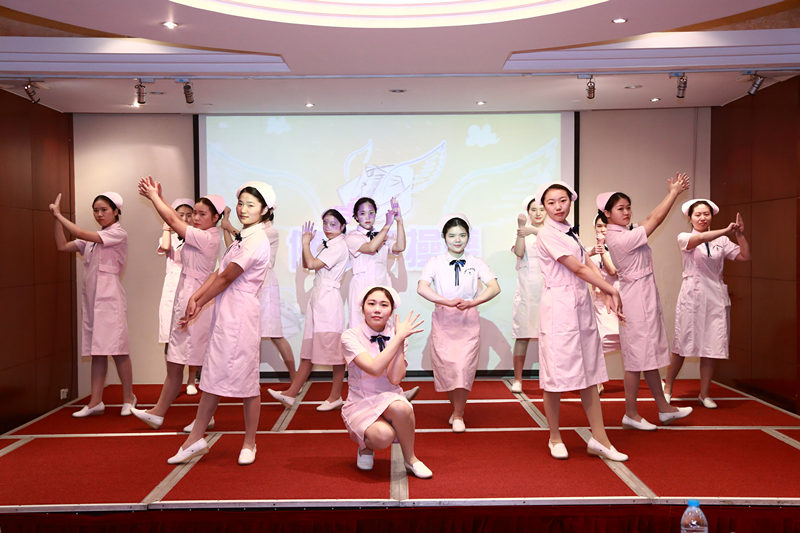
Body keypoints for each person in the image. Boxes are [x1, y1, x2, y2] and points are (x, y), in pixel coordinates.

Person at [167, 181, 274, 466]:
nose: (243, 209)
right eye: (241, 203)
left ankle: (250, 442)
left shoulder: (257, 240)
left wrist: (200, 301)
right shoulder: (241, 237)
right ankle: (195, 439)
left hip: (241, 314)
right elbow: (218, 272)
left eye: (251, 205)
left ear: (265, 210)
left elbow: (228, 277)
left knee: (247, 381)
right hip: (225, 312)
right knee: (212, 375)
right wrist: (196, 298)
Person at [535, 181, 627, 462]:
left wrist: (605, 292)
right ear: (544, 206)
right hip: (559, 308)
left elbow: (587, 262)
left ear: (570, 201)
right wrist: (611, 289)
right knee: (555, 376)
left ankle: (600, 439)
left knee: (589, 373)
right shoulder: (546, 234)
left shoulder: (570, 232)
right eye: (551, 202)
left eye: (562, 200)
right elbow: (574, 267)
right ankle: (554, 436)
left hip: (581, 306)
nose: (558, 207)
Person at [599, 174, 694, 431]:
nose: (627, 212)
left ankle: (664, 408)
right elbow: (655, 220)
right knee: (635, 359)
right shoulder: (619, 238)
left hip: (643, 294)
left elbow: (649, 217)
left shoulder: (625, 231)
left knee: (647, 354)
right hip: (636, 297)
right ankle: (630, 413)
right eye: (620, 208)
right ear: (607, 213)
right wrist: (673, 193)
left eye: (628, 207)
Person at [131, 177, 224, 431]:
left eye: (202, 214)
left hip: (198, 302)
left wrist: (154, 197)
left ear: (216, 218)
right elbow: (174, 219)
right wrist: (160, 198)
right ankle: (158, 412)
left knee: (203, 363)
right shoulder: (199, 234)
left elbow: (173, 221)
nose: (196, 218)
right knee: (174, 360)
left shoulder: (208, 237)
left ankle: (206, 416)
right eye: (195, 213)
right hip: (184, 297)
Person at [50, 192, 135, 417]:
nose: (99, 214)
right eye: (96, 210)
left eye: (104, 210)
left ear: (116, 211)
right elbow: (62, 245)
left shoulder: (118, 233)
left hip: (110, 298)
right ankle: (95, 401)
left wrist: (59, 215)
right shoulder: (91, 239)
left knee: (118, 350)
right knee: (97, 351)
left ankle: (129, 398)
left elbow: (78, 232)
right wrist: (56, 220)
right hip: (92, 299)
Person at [417, 214, 500, 432]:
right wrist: (445, 301)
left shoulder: (476, 262)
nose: (457, 240)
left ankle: (459, 413)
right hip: (444, 320)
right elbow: (422, 287)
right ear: (444, 237)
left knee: (463, 368)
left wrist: (474, 302)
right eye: (452, 235)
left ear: (468, 237)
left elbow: (494, 287)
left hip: (468, 321)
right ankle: (456, 409)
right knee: (448, 369)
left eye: (462, 235)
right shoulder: (435, 262)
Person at [664, 200, 750, 408]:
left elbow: (745, 256)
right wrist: (726, 230)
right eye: (698, 214)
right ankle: (667, 388)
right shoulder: (684, 237)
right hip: (692, 296)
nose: (702, 218)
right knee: (681, 345)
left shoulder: (722, 241)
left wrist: (739, 235)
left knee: (711, 346)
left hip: (715, 298)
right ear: (690, 218)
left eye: (706, 214)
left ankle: (704, 394)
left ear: (711, 216)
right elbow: (700, 239)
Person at [340, 286, 432, 478]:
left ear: (391, 311)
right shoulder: (350, 336)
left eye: (384, 305)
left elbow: (395, 378)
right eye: (371, 304)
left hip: (389, 396)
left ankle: (411, 459)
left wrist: (399, 340)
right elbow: (373, 368)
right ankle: (365, 447)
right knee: (383, 436)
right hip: (360, 400)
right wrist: (398, 338)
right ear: (362, 308)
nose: (377, 309)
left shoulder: (397, 334)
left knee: (401, 408)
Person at [268, 209, 349, 411]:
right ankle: (291, 394)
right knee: (309, 350)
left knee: (335, 351)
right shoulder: (327, 245)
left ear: (342, 226)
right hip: (319, 298)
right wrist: (307, 244)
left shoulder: (339, 245)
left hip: (328, 301)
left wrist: (305, 243)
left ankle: (335, 396)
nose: (328, 228)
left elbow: (311, 263)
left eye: (333, 224)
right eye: (325, 223)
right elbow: (308, 264)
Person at [345, 197, 419, 401]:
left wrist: (399, 221)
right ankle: (359, 392)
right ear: (355, 216)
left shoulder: (383, 234)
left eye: (371, 213)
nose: (367, 217)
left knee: (387, 336)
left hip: (383, 286)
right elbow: (370, 248)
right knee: (360, 338)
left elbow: (400, 247)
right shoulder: (352, 237)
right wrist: (387, 226)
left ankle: (392, 389)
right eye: (362, 213)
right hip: (361, 288)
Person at [221, 201, 296, 380]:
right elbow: (232, 251)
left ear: (265, 211)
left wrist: (229, 225)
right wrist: (225, 225)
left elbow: (246, 240)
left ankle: (295, 379)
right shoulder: (248, 233)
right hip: (249, 283)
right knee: (249, 334)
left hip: (266, 285)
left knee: (275, 335)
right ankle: (247, 379)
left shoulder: (269, 232)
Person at [155, 198, 202, 395]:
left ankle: (191, 380)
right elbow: (166, 247)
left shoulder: (197, 237)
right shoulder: (170, 237)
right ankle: (172, 381)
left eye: (189, 215)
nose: (185, 218)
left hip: (190, 288)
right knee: (169, 336)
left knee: (191, 337)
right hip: (171, 289)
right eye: (180, 215)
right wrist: (167, 227)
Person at [510, 196, 545, 393]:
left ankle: (550, 377)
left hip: (548, 290)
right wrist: (522, 229)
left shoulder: (552, 232)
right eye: (533, 209)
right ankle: (517, 379)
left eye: (542, 209)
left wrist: (534, 231)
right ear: (528, 212)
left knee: (549, 337)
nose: (538, 213)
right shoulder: (523, 232)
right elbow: (519, 252)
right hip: (526, 290)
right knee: (522, 335)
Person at [587, 212, 621, 394]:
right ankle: (597, 381)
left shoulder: (620, 249)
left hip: (620, 298)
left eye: (606, 226)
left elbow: (613, 271)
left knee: (634, 340)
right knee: (598, 341)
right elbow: (582, 268)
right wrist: (594, 251)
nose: (603, 229)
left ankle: (652, 377)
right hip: (601, 302)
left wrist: (603, 251)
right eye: (599, 226)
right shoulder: (590, 251)